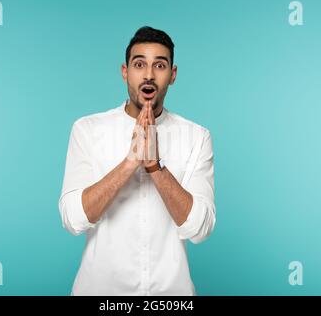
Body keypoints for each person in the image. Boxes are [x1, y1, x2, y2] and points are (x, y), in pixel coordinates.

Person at [58, 26, 216, 296]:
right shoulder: (87, 130)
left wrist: (154, 166)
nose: (149, 75)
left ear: (172, 75)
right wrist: (130, 163)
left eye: (160, 65)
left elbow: (199, 229)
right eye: (139, 64)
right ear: (125, 72)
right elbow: (73, 219)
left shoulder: (197, 137)